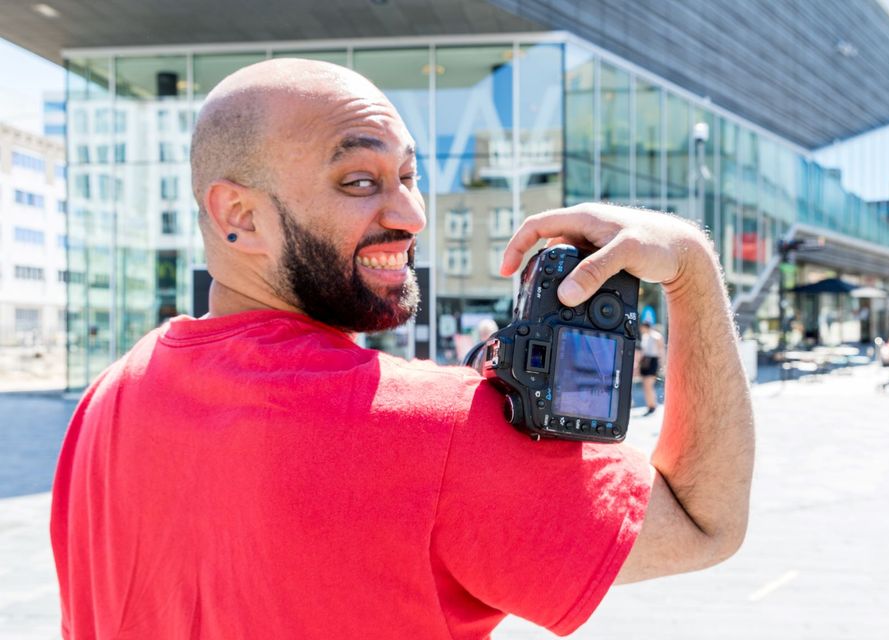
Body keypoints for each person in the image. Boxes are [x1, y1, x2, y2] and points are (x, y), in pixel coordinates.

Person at [50, 59, 754, 639]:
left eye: (409, 176)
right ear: (239, 216)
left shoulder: (111, 396)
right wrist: (690, 267)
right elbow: (704, 524)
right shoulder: (433, 429)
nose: (411, 214)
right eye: (360, 181)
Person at [638, 321, 666, 416]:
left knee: (649, 385)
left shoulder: (656, 336)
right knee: (645, 385)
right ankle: (650, 405)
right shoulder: (645, 337)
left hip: (653, 361)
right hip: (646, 361)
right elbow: (643, 352)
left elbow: (661, 351)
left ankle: (652, 405)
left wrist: (662, 365)